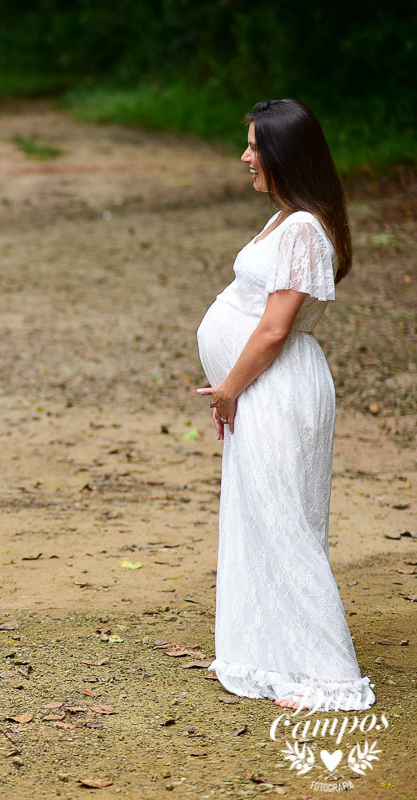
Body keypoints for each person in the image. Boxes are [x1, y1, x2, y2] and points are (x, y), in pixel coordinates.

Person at [196, 99, 373, 711]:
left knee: (286, 523)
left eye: (254, 146)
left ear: (284, 154)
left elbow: (274, 329)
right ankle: (272, 651)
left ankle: (329, 673)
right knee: (263, 517)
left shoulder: (302, 228)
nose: (245, 156)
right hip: (262, 387)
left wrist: (229, 388)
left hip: (276, 386)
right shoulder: (285, 219)